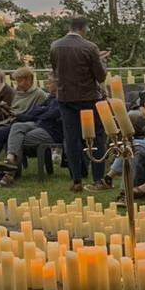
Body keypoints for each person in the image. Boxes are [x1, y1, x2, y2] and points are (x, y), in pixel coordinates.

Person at [51, 17, 110, 191]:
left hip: (65, 98)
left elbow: (55, 70)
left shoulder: (55, 46)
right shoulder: (89, 47)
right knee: (97, 136)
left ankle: (76, 180)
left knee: (71, 138)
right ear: (84, 29)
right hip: (88, 98)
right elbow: (100, 76)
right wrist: (102, 61)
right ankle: (98, 178)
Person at [0, 78, 63, 186]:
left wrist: (42, 112)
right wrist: (40, 112)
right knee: (16, 127)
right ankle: (10, 160)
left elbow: (51, 114)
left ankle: (8, 175)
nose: (47, 84)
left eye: (50, 82)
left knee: (15, 139)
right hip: (38, 124)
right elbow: (35, 112)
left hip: (51, 131)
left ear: (57, 84)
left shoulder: (62, 98)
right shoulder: (50, 98)